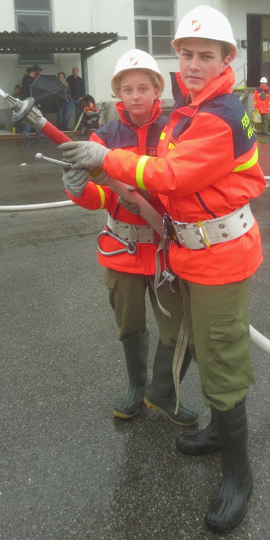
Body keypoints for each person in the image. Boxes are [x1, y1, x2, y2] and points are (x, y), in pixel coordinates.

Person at [59, 6, 266, 533]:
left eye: (206, 55)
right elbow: (151, 190)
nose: (194, 64)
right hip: (191, 252)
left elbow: (170, 175)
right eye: (187, 54)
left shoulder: (218, 113)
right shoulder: (190, 111)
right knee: (197, 338)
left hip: (220, 257)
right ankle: (218, 434)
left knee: (220, 358)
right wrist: (91, 184)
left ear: (226, 59)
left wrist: (105, 160)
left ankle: (238, 475)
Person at [61, 49, 197, 426]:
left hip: (166, 248)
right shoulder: (102, 137)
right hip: (122, 247)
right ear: (117, 93)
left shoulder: (176, 131)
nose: (135, 95)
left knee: (177, 327)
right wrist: (77, 189)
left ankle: (163, 394)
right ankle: (137, 387)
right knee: (130, 325)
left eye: (143, 87)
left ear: (158, 90)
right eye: (127, 88)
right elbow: (101, 196)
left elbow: (181, 185)